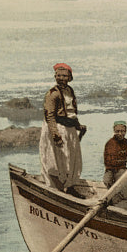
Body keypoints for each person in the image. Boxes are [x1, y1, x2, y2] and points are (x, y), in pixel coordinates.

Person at [39, 62, 86, 195]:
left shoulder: (70, 91)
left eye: (65, 76)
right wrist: (56, 135)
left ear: (70, 77)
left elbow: (71, 112)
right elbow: (49, 115)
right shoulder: (53, 93)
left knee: (72, 159)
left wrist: (78, 126)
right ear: (55, 76)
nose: (61, 78)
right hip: (58, 128)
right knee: (58, 160)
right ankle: (58, 188)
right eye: (59, 75)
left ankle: (70, 187)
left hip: (69, 128)